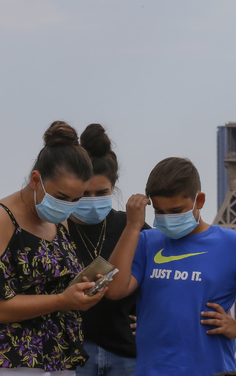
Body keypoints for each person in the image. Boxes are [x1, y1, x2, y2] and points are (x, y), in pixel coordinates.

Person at [105, 157, 236, 376]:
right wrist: (132, 227)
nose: (167, 218)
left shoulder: (232, 244)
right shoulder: (147, 241)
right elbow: (114, 290)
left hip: (212, 371)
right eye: (160, 212)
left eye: (176, 210)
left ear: (199, 200)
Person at [0, 121, 107, 374]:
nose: (68, 206)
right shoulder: (4, 220)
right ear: (36, 179)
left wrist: (84, 290)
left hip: (60, 359)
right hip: (12, 361)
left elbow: (60, 287)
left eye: (75, 199)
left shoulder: (59, 221)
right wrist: (61, 300)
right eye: (61, 197)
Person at [67, 124, 149, 376]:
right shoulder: (54, 228)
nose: (92, 199)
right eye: (84, 193)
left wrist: (148, 318)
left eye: (101, 192)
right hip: (72, 355)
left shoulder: (135, 227)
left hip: (126, 352)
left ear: (114, 186)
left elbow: (159, 278)